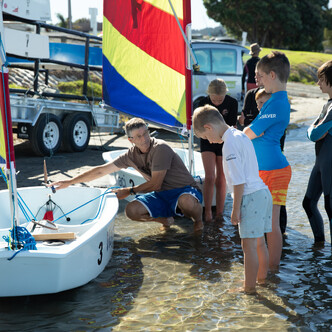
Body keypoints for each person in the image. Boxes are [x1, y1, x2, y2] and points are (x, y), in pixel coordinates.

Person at [50, 117, 204, 232]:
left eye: (145, 133)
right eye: (138, 136)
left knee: (186, 202)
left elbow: (156, 183)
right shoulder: (130, 156)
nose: (144, 139)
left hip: (184, 190)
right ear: (131, 140)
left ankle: (198, 221)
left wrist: (129, 191)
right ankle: (165, 220)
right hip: (161, 194)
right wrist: (69, 182)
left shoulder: (160, 148)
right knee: (131, 211)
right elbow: (101, 170)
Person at [193, 105, 272, 294]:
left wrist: (235, 209)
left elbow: (238, 181)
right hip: (262, 193)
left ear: (208, 127)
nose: (210, 142)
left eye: (205, 137)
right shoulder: (240, 135)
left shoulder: (228, 144)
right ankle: (261, 280)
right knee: (259, 242)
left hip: (250, 196)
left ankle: (249, 289)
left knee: (248, 246)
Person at [243, 51, 292, 271]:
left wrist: (241, 133)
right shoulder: (274, 100)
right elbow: (254, 132)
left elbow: (251, 132)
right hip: (268, 170)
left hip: (274, 171)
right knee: (266, 224)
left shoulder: (277, 103)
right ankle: (268, 271)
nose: (257, 81)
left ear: (272, 75)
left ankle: (272, 272)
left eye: (260, 76)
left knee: (271, 225)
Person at [197, 79, 238, 222]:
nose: (217, 102)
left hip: (224, 140)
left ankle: (219, 213)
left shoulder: (232, 103)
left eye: (220, 99)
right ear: (209, 95)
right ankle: (207, 211)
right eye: (214, 99)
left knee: (222, 176)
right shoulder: (202, 103)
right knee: (209, 177)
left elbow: (231, 124)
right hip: (207, 140)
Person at [302, 60, 332, 244]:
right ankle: (319, 246)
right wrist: (316, 129)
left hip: (329, 163)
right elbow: (312, 132)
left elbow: (314, 132)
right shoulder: (327, 105)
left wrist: (316, 129)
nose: (318, 83)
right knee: (308, 203)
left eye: (321, 79)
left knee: (330, 207)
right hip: (320, 163)